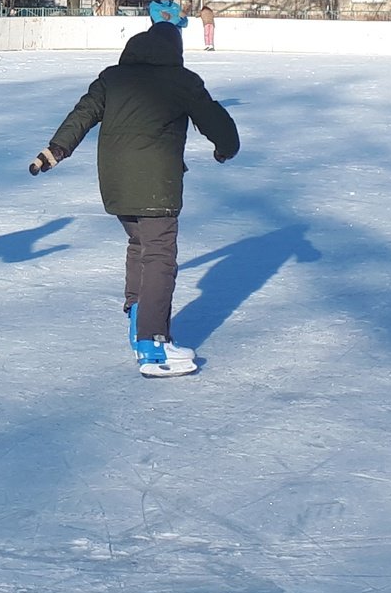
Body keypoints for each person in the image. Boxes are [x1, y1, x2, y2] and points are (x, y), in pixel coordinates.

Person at [29, 21, 239, 377]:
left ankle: (138, 316)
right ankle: (153, 345)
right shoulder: (182, 80)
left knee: (139, 244)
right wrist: (225, 150)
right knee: (159, 254)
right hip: (155, 181)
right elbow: (216, 122)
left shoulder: (113, 78)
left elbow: (82, 115)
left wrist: (54, 151)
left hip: (115, 180)